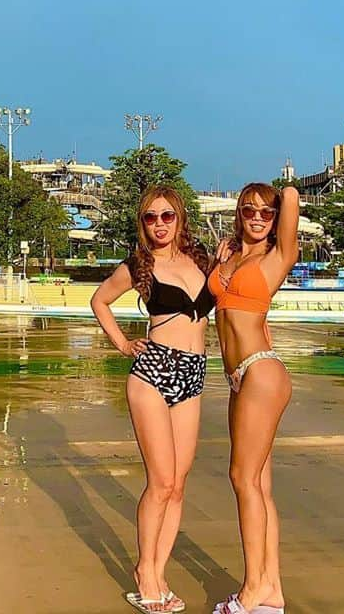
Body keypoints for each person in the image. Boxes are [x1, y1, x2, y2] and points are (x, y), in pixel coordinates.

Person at [91, 185, 215, 613]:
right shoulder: (138, 266)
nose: (159, 224)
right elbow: (100, 300)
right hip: (154, 373)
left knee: (178, 485)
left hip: (194, 373)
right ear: (142, 223)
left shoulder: (201, 260)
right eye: (150, 217)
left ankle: (159, 571)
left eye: (166, 216)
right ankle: (145, 573)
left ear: (180, 218)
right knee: (160, 481)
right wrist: (123, 344)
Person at [208, 183, 299, 614]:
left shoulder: (277, 257)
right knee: (259, 484)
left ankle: (251, 589)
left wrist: (281, 197)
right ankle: (272, 591)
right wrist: (221, 259)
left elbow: (293, 196)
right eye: (249, 209)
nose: (258, 216)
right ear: (238, 212)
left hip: (261, 370)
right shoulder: (230, 256)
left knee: (242, 480)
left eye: (267, 211)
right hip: (237, 377)